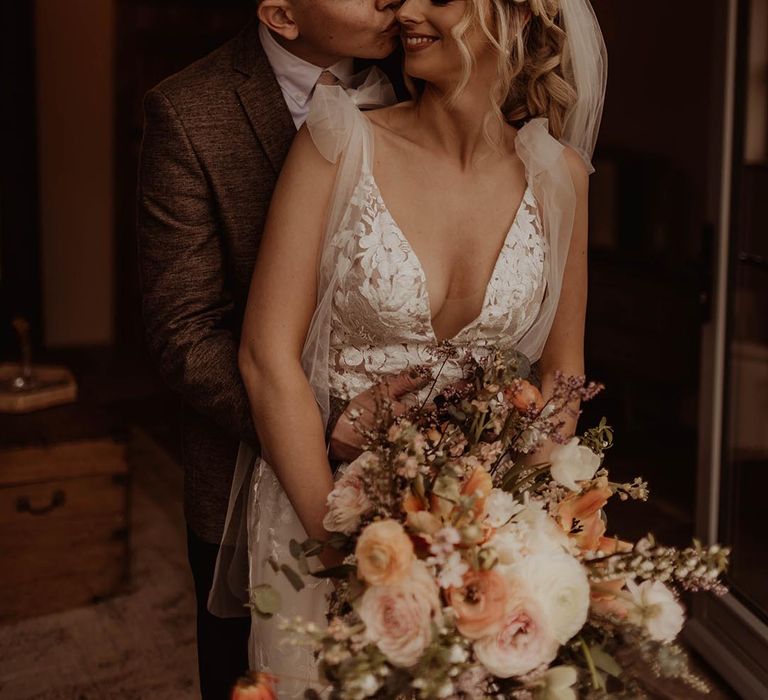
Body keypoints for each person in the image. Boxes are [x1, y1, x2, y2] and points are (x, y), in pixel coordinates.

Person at [215, 0, 606, 696]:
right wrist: (343, 547)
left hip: (479, 536)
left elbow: (563, 373)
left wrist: (514, 530)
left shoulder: (560, 180)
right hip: (324, 506)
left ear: (514, 14)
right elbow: (264, 357)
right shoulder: (337, 144)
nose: (409, 10)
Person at [136, 2, 410, 698]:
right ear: (282, 15)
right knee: (256, 676)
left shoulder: (428, 73)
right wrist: (315, 430)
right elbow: (185, 331)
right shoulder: (189, 112)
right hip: (245, 468)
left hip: (419, 459)